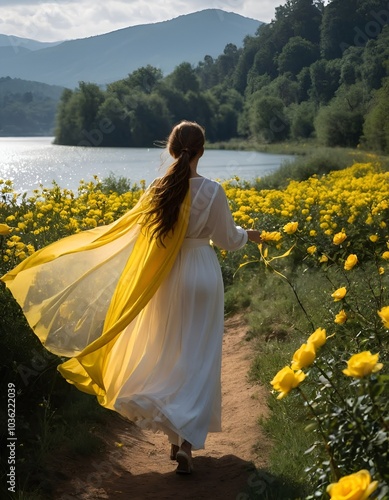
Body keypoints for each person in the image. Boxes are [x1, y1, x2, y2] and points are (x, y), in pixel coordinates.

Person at [1, 120, 262, 475]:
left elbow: (140, 241)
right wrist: (249, 235)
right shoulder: (213, 191)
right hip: (202, 274)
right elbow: (228, 240)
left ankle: (171, 431)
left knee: (168, 351)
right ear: (201, 151)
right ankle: (185, 443)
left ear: (172, 150)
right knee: (199, 355)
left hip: (166, 276)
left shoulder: (157, 188)